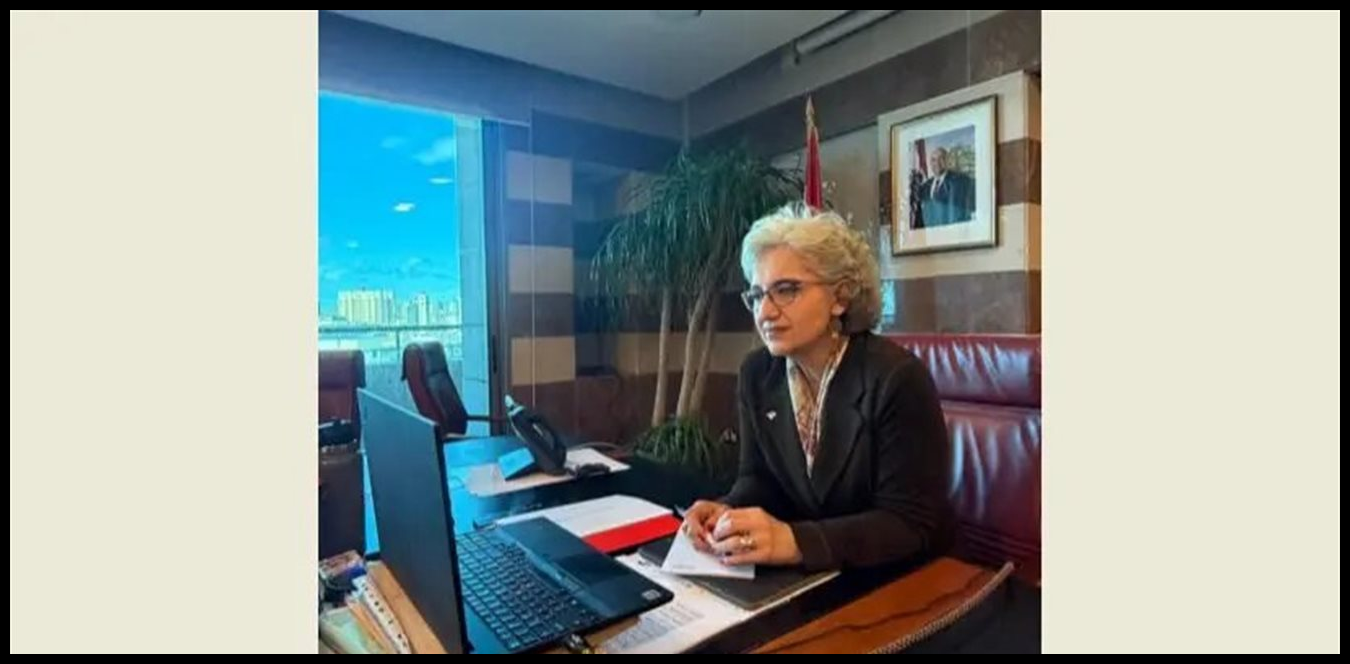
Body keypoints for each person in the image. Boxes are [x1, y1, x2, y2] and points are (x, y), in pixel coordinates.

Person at [681, 202, 954, 572]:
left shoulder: (897, 378)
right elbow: (758, 480)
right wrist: (727, 510)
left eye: (786, 290)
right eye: (757, 295)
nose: (765, 312)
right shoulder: (757, 373)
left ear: (840, 298)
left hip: (902, 578)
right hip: (813, 575)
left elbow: (908, 523)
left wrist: (794, 541)